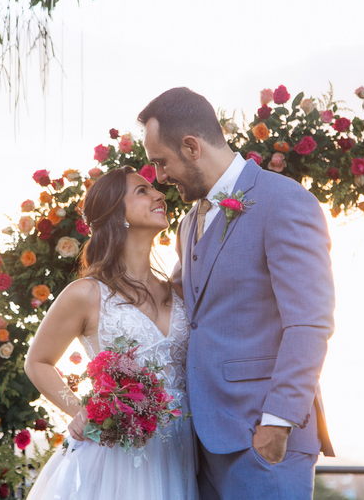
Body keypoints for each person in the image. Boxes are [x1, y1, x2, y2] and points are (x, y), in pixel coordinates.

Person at [139, 87, 336, 499]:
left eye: (161, 161)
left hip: (263, 438)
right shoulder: (190, 221)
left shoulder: (284, 201)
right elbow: (181, 306)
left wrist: (277, 423)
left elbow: (309, 322)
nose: (160, 176)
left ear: (191, 147)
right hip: (202, 443)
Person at [24, 166, 198, 500]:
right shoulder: (86, 293)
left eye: (154, 188)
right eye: (143, 191)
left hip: (181, 448)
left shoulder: (178, 290)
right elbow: (38, 361)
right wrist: (80, 411)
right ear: (117, 214)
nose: (159, 194)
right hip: (116, 456)